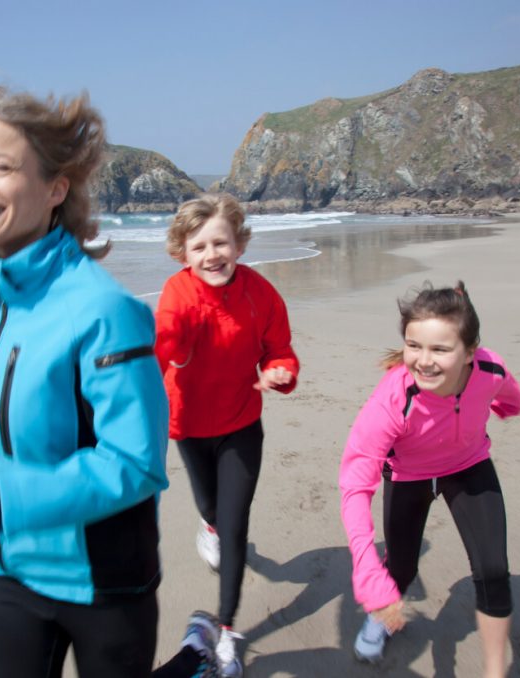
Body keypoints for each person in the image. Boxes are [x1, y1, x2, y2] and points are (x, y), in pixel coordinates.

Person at [0, 72, 216, 678]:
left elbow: (134, 464)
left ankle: (197, 660)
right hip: (7, 571)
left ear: (56, 186)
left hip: (106, 581)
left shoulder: (106, 312)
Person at [338, 281, 520, 677]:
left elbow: (512, 395)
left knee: (493, 570)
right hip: (409, 475)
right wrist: (367, 571)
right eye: (414, 346)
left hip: (469, 465)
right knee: (401, 568)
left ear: (470, 352)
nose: (424, 361)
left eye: (440, 349)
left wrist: (508, 407)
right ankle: (381, 615)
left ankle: (495, 671)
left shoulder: (489, 369)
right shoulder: (393, 400)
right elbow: (355, 486)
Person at [155, 193, 300, 677]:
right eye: (198, 247)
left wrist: (279, 370)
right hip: (190, 425)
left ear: (239, 243)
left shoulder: (261, 294)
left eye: (220, 242)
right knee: (212, 509)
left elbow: (278, 349)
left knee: (236, 525)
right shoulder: (178, 293)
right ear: (183, 253)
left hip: (241, 424)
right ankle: (209, 524)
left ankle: (227, 630)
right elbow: (163, 343)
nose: (211, 254)